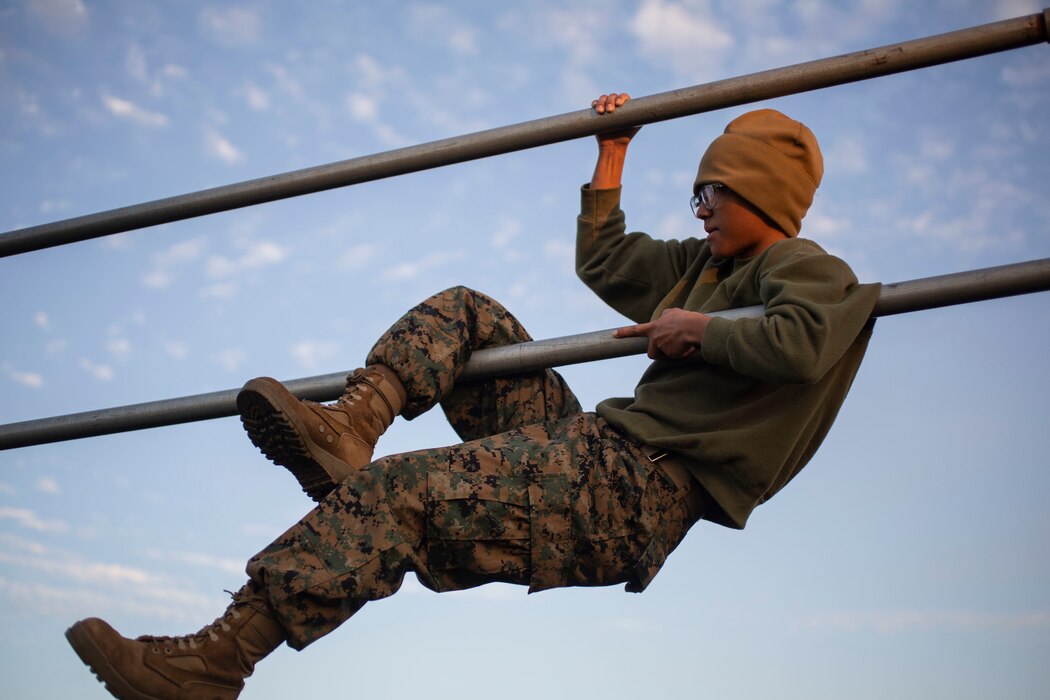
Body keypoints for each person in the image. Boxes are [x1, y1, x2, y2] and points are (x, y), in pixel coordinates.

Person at [65, 93, 881, 699]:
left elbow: (806, 344)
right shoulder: (707, 269)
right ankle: (355, 422)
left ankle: (214, 663)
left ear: (761, 197)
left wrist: (694, 333)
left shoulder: (805, 269)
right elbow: (607, 265)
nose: (698, 209)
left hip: (638, 488)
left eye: (712, 195)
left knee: (401, 496)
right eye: (695, 194)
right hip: (599, 450)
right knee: (470, 314)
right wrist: (611, 151)